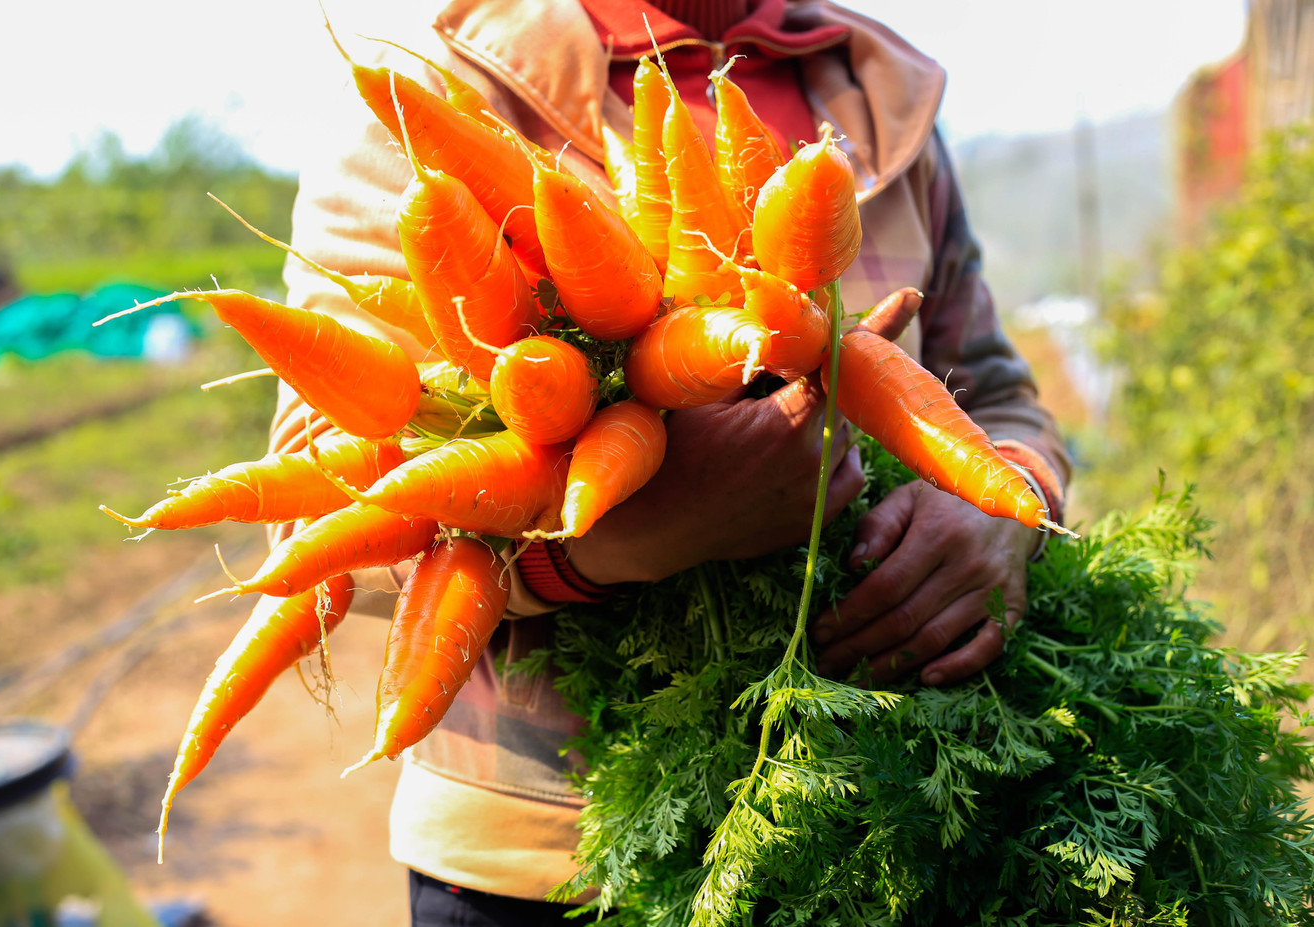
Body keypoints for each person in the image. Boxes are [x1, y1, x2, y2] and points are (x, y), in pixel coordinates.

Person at [269, 0, 1072, 923]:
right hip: (557, 869)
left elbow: (999, 394)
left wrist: (1007, 503)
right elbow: (318, 505)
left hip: (888, 820)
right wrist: (598, 544)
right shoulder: (430, 91)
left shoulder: (880, 88)